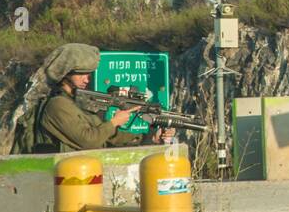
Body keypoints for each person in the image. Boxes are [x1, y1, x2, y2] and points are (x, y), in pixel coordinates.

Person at [16, 43, 175, 154]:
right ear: (65, 74)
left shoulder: (76, 102)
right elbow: (89, 140)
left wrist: (149, 138)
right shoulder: (57, 105)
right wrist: (114, 122)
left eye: (88, 74)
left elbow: (107, 136)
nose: (87, 79)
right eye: (81, 74)